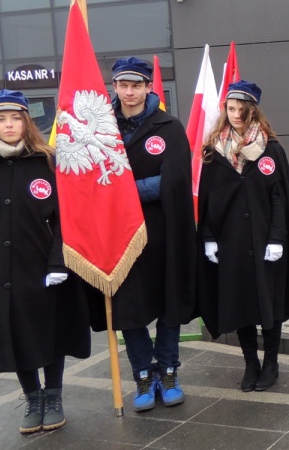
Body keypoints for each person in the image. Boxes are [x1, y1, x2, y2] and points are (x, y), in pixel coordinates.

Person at [0, 90, 90, 434]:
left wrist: (59, 261)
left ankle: (54, 395)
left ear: (26, 121)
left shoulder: (48, 162)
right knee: (16, 334)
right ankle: (33, 397)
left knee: (53, 332)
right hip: (0, 273)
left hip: (45, 270)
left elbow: (68, 218)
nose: (9, 125)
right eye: (1, 119)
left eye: (15, 118)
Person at [89, 57, 195, 412]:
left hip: (162, 233)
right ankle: (142, 376)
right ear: (114, 87)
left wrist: (124, 189)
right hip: (119, 235)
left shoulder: (169, 126)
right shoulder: (99, 128)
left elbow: (175, 179)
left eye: (137, 85)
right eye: (123, 85)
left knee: (168, 304)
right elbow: (90, 177)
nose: (130, 92)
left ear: (149, 87)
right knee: (128, 309)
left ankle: (168, 371)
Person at [197, 80, 289, 392]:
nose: (235, 115)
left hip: (263, 241)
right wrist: (208, 237)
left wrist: (276, 237)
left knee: (269, 302)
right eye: (230, 109)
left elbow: (278, 198)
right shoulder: (214, 151)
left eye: (241, 111)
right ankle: (250, 363)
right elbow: (207, 198)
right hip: (230, 242)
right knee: (241, 303)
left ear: (253, 111)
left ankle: (271, 362)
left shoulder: (270, 149)